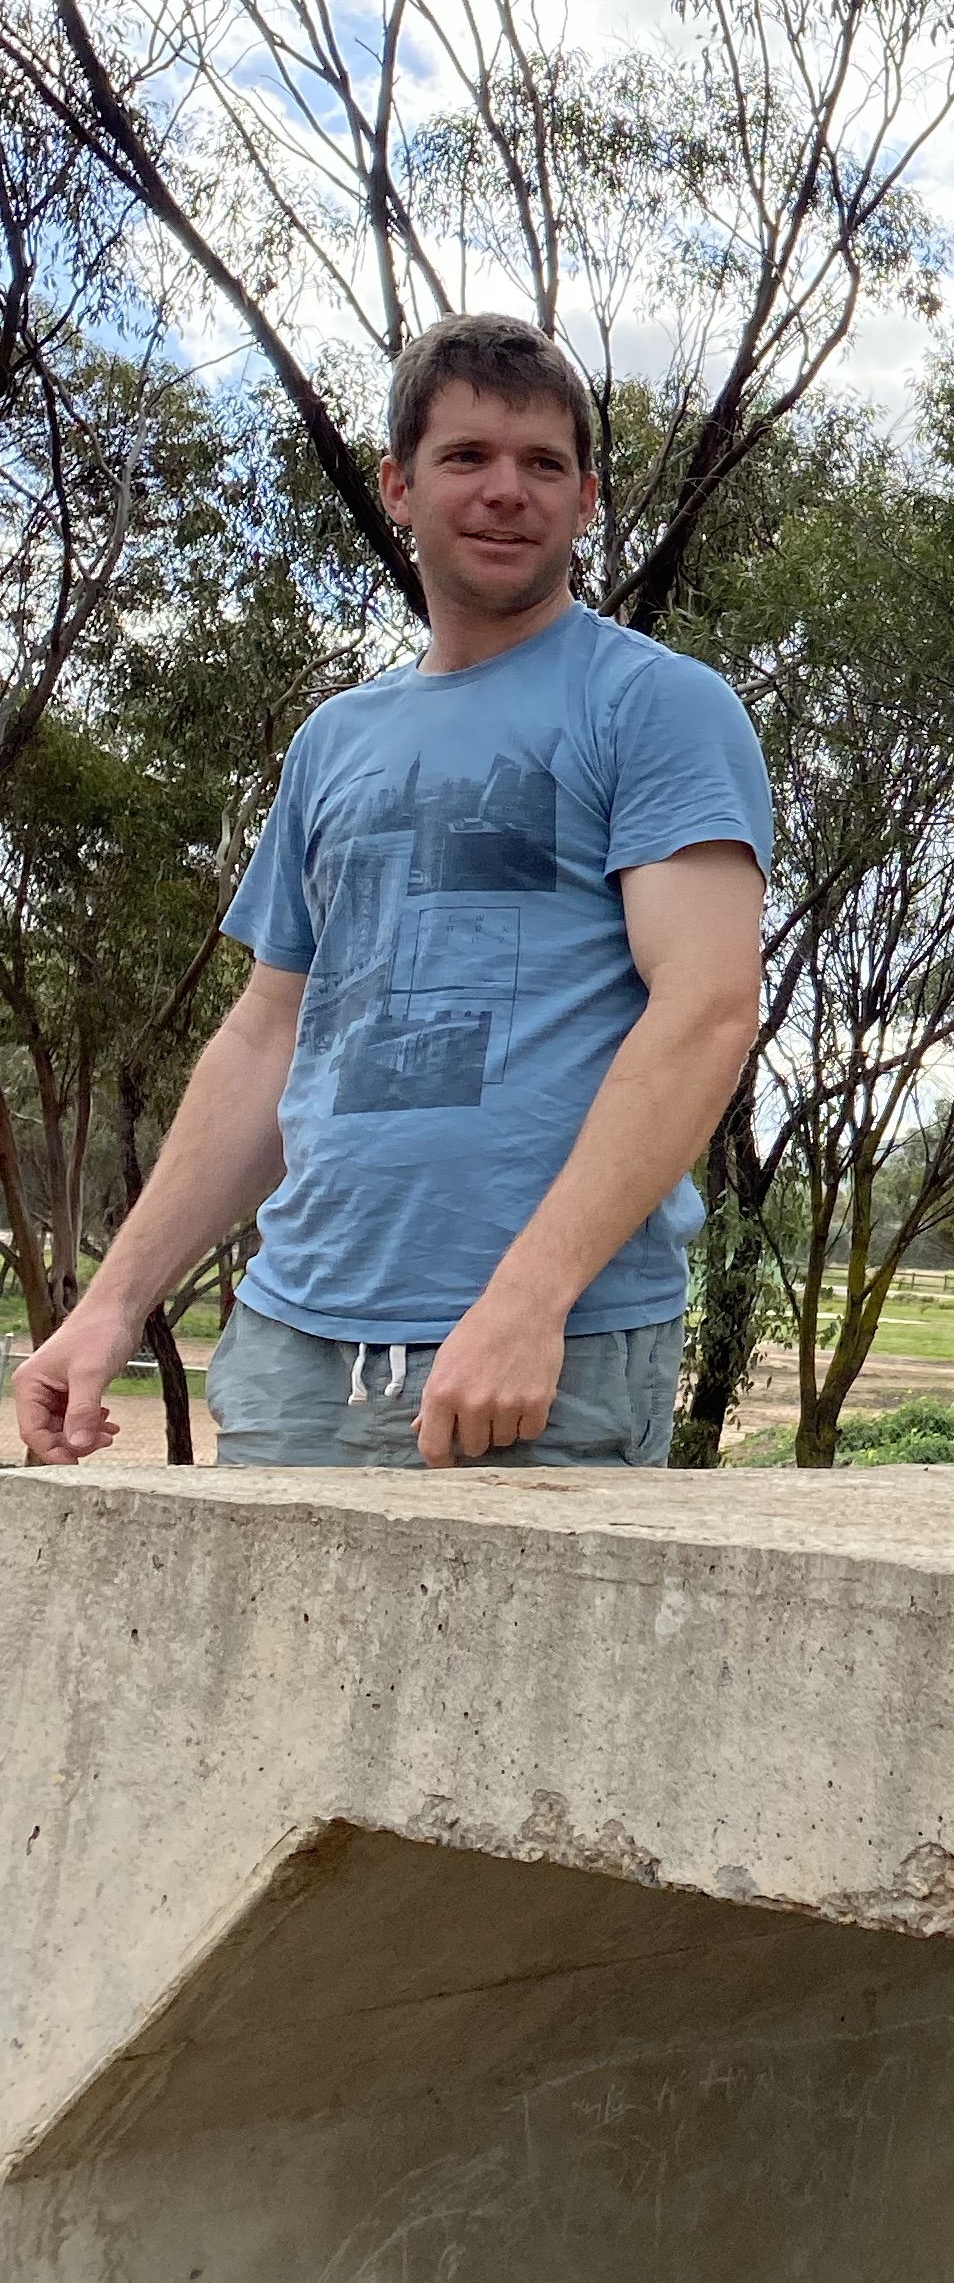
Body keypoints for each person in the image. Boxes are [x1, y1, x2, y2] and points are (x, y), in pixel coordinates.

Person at [9, 316, 769, 1472]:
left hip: (542, 1356)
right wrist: (113, 1302)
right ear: (399, 485)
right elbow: (270, 1033)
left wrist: (529, 1299)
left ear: (588, 499)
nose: (507, 491)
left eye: (544, 464)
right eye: (468, 457)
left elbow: (706, 1008)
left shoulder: (657, 706)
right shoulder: (333, 741)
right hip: (293, 1343)